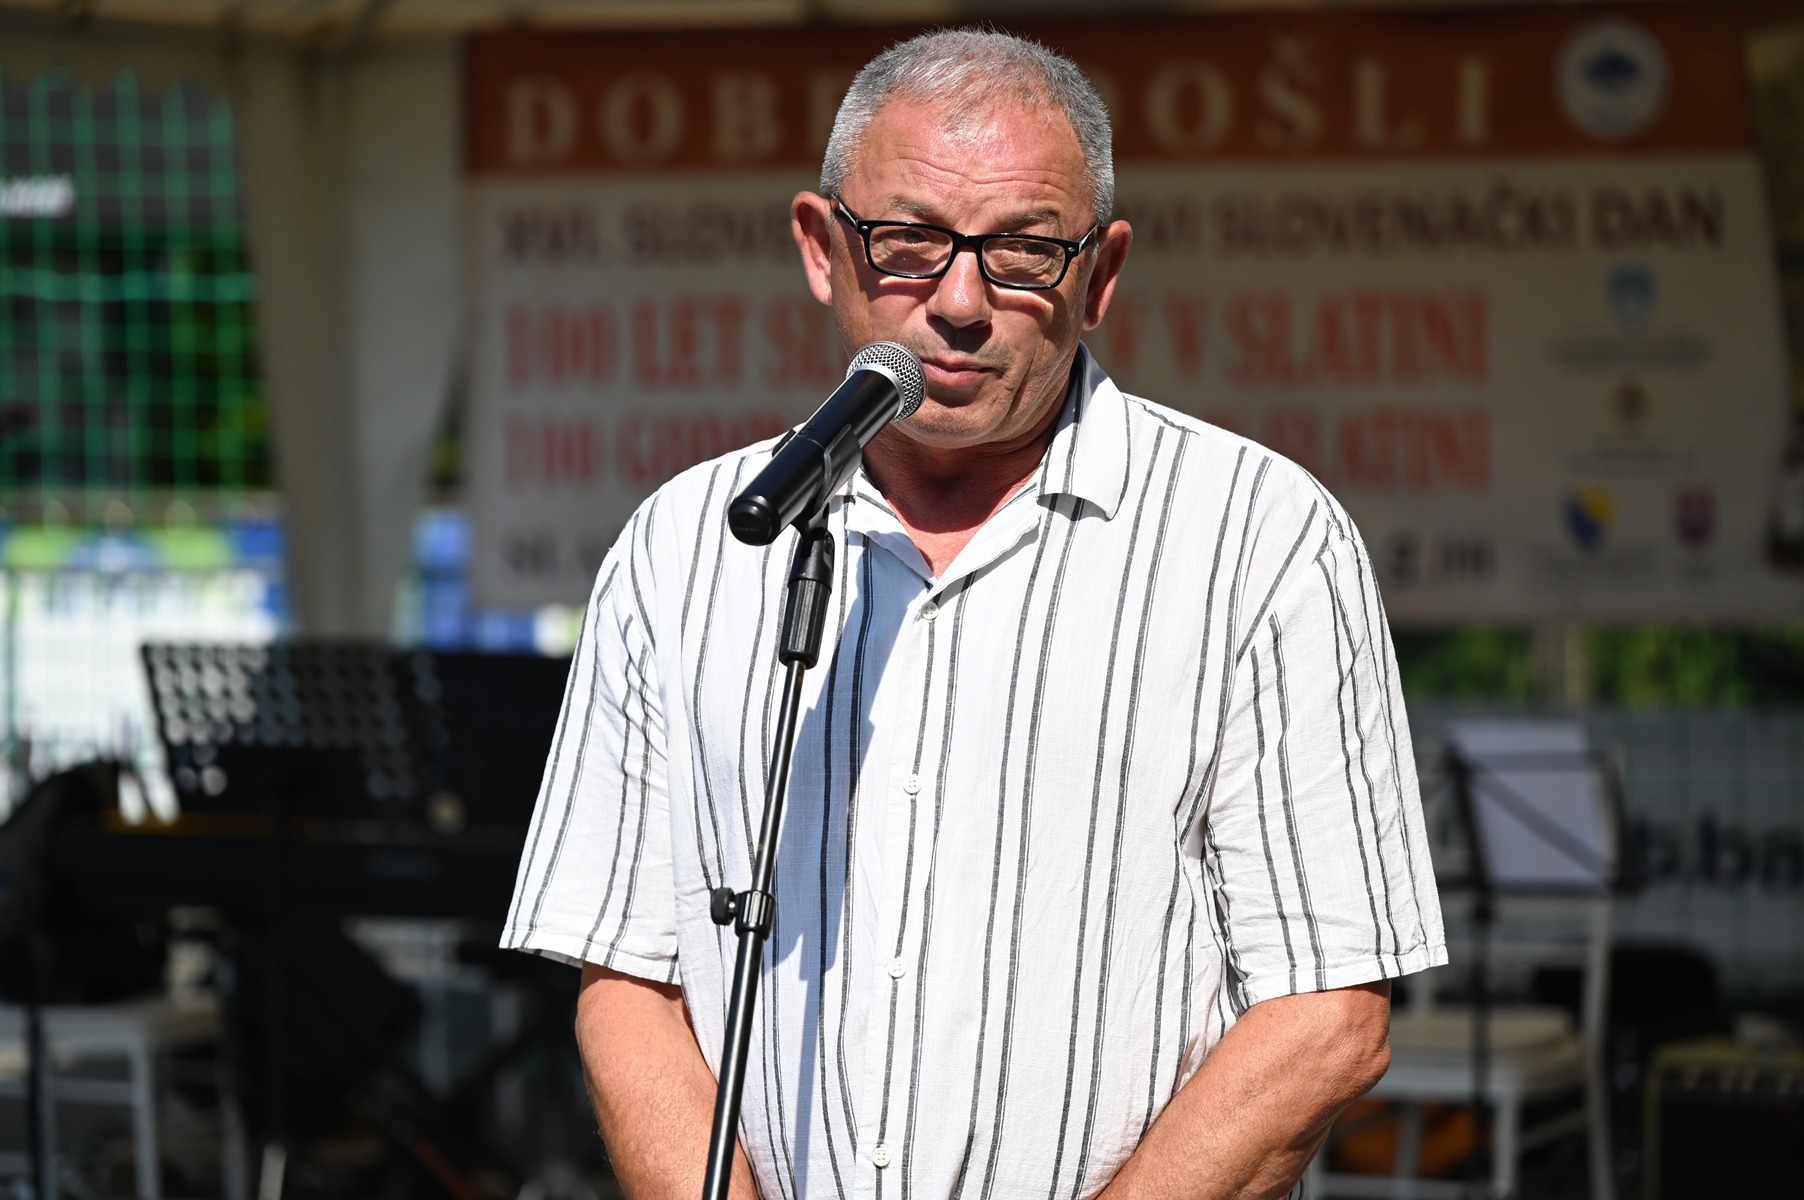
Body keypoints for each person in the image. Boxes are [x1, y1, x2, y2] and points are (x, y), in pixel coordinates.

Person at [504, 28, 1445, 1200]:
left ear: (1100, 276)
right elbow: (625, 979)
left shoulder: (1260, 540)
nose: (958, 302)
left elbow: (1330, 1013)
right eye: (907, 243)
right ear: (821, 248)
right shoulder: (685, 544)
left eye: (1022, 252)